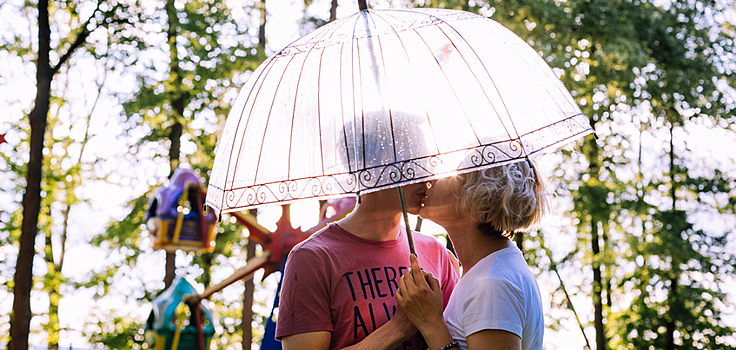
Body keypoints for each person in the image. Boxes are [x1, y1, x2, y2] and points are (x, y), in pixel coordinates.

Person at [275, 180, 460, 350]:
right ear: (373, 166)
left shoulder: (436, 253)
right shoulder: (312, 258)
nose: (427, 179)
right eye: (409, 163)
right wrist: (398, 328)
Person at [396, 160, 547, 350]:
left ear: (477, 196)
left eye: (453, 174)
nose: (431, 180)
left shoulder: (491, 284)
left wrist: (431, 323)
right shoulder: (493, 269)